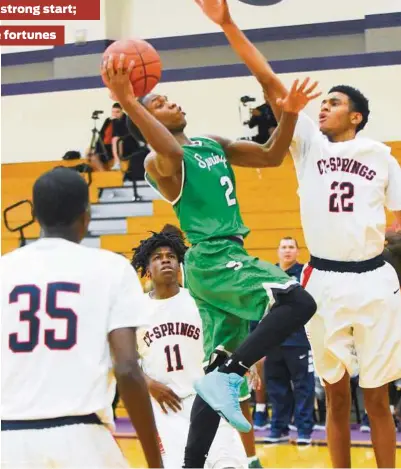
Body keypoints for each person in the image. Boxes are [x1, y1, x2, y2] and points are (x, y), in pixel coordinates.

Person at [197, 0, 401, 466]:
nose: (324, 107)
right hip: (323, 279)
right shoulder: (307, 143)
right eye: (322, 102)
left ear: (357, 117)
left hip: (373, 279)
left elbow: (397, 221)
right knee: (334, 395)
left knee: (377, 396)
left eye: (335, 103)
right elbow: (270, 83)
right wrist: (228, 24)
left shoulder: (381, 155)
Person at [101, 41, 319, 467]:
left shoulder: (212, 143)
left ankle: (192, 462)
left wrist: (289, 112)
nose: (170, 100)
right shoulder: (157, 162)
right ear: (146, 121)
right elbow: (170, 150)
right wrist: (129, 102)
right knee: (299, 299)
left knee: (214, 375)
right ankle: (231, 375)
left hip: (223, 259)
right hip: (212, 257)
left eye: (165, 98)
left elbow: (273, 155)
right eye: (159, 102)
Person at [1, 167, 162, 469]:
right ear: (86, 215)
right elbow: (127, 368)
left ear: (34, 214)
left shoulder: (4, 269)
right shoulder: (111, 268)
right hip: (82, 438)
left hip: (8, 439)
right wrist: (155, 462)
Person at [132, 230, 248, 469]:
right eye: (157, 257)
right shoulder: (135, 310)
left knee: (230, 465)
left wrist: (247, 360)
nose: (165, 259)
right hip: (166, 409)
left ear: (179, 264)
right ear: (147, 268)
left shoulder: (199, 301)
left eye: (170, 256)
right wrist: (148, 383)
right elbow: (121, 360)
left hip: (207, 400)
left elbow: (226, 337)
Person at [263, 237, 315, 445]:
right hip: (274, 341)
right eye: (283, 247)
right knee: (276, 388)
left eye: (291, 247)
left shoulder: (304, 273)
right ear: (277, 251)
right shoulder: (269, 274)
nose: (287, 251)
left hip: (299, 341)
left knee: (304, 386)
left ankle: (304, 431)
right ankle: (279, 428)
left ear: (298, 251)